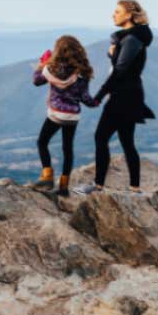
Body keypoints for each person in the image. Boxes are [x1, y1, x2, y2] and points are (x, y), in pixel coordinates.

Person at [75, 0, 155, 195]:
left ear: (128, 15)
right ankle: (134, 188)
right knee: (127, 141)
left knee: (100, 137)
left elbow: (119, 71)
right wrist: (113, 55)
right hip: (132, 94)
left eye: (117, 11)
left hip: (123, 96)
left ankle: (98, 185)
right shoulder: (132, 39)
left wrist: (99, 96)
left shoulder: (130, 40)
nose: (113, 14)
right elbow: (126, 68)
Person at [32, 36, 100, 197]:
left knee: (42, 142)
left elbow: (36, 81)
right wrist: (96, 101)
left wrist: (43, 63)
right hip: (72, 116)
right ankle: (63, 187)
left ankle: (47, 176)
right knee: (67, 149)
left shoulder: (52, 68)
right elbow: (86, 99)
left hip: (56, 113)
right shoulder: (82, 73)